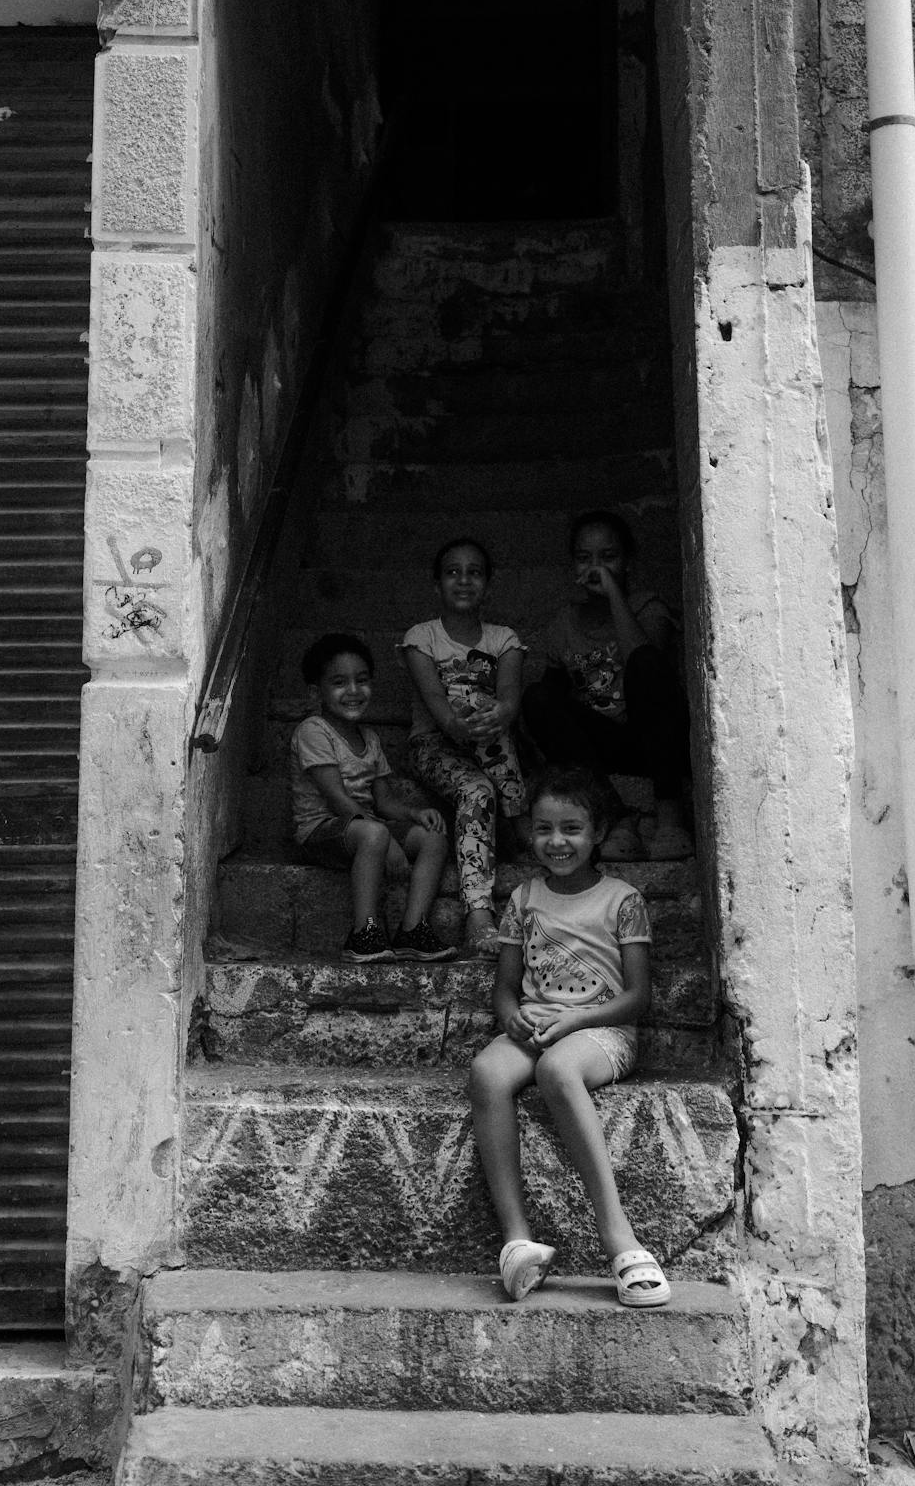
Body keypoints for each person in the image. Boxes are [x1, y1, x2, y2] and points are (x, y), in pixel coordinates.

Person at [468, 765, 671, 1308]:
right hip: (536, 1026)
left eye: (571, 828)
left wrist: (576, 1021)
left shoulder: (621, 899)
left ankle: (620, 1240)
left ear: (598, 833)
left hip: (601, 1031)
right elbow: (506, 988)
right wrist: (512, 1016)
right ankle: (517, 1241)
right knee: (487, 1072)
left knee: (558, 1068)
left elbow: (637, 996)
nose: (556, 841)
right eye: (543, 828)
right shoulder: (524, 897)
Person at [521, 509, 693, 861]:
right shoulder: (565, 622)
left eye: (608, 557)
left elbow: (647, 665)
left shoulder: (648, 608)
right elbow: (551, 707)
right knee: (537, 697)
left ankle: (670, 818)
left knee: (646, 662)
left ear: (627, 562)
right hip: (601, 746)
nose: (596, 569)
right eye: (585, 559)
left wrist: (614, 594)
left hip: (653, 737)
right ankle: (617, 816)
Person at [290, 632, 454, 963]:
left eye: (361, 680)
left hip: (365, 830)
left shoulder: (370, 738)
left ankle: (412, 930)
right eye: (339, 682)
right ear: (316, 691)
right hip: (320, 832)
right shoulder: (313, 730)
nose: (353, 691)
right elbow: (338, 800)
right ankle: (363, 932)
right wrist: (388, 842)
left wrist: (414, 814)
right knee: (375, 833)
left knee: (433, 837)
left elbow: (383, 802)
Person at [399, 537, 526, 957]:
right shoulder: (422, 638)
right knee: (477, 789)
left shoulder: (504, 639)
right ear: (437, 584)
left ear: (487, 584)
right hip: (433, 745)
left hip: (490, 741)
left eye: (474, 572)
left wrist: (496, 713)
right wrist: (472, 716)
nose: (464, 580)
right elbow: (440, 710)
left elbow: (510, 699)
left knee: (495, 718)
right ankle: (478, 914)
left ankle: (512, 820)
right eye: (453, 572)